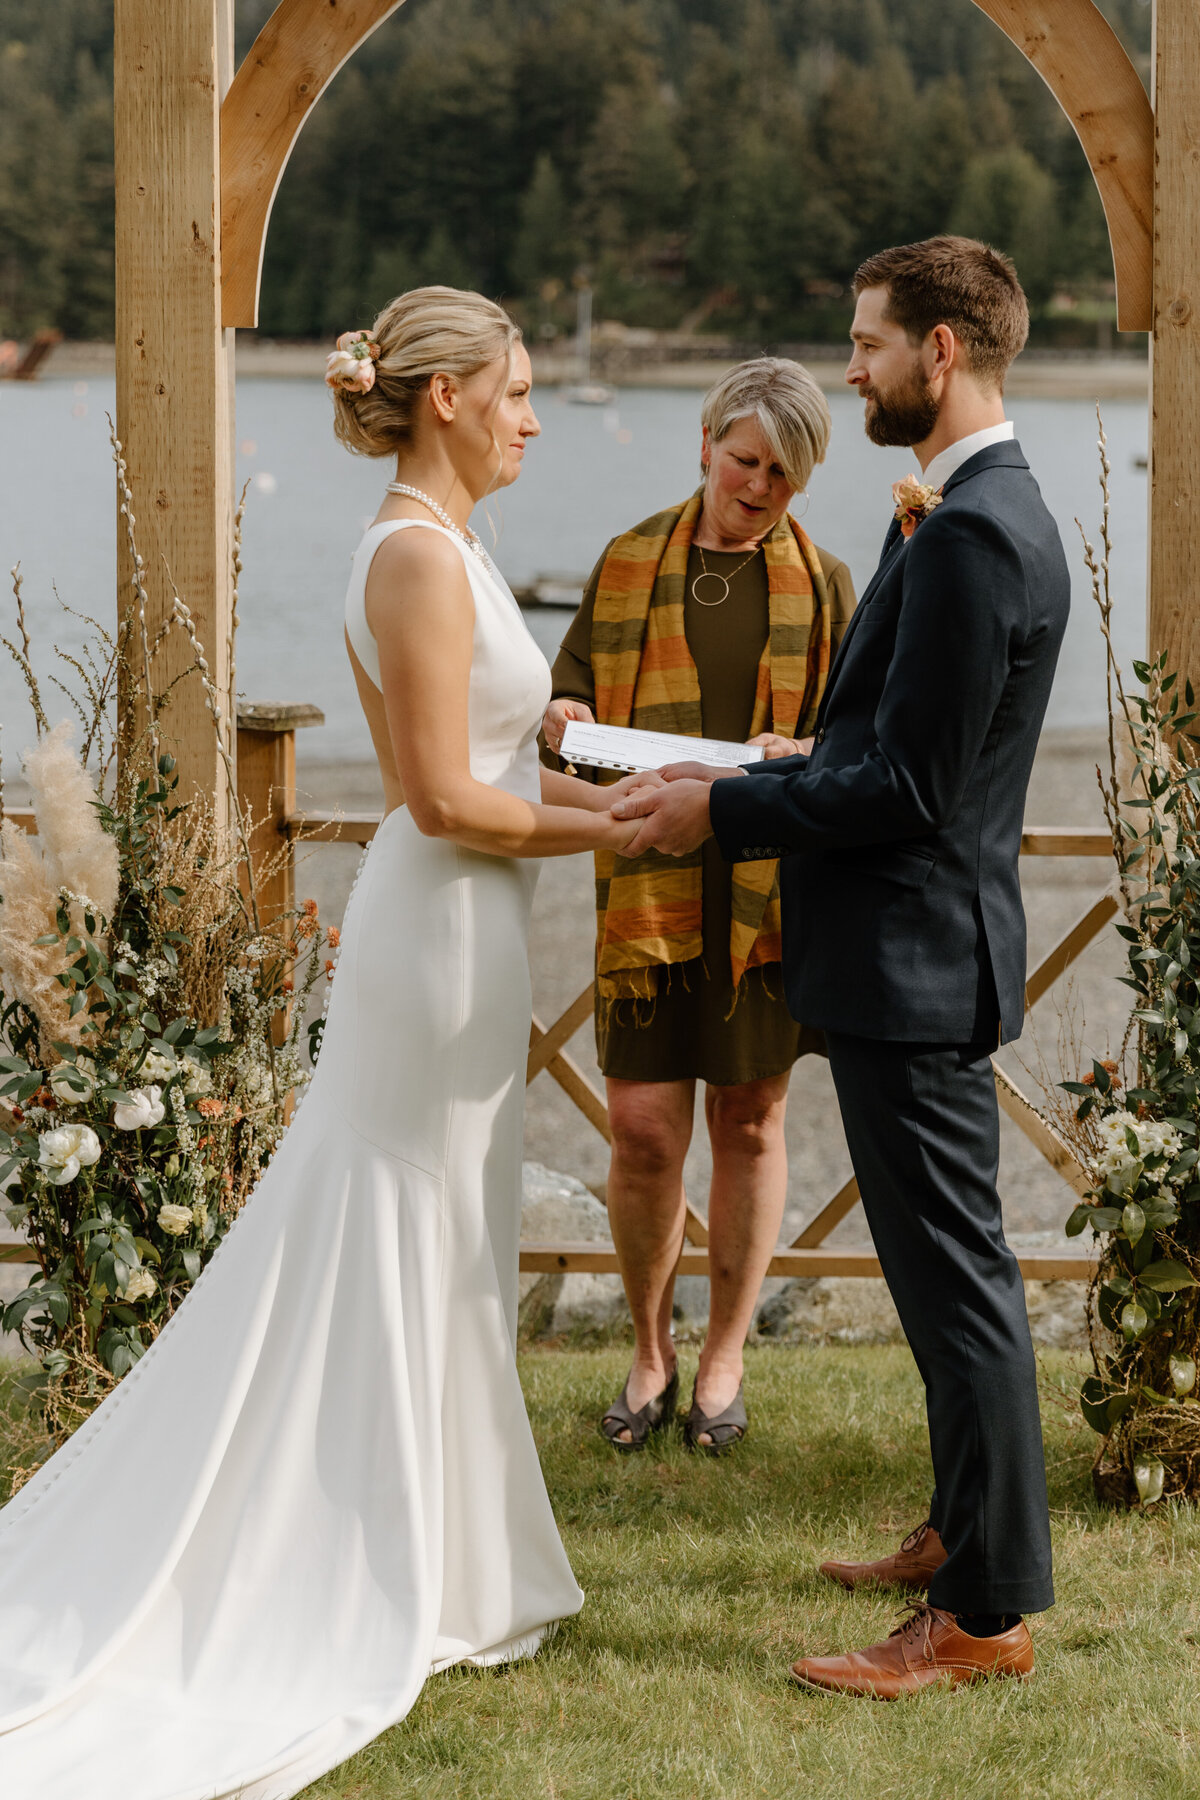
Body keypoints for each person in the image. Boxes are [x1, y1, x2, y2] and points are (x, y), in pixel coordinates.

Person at [0, 288, 645, 1797]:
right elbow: (438, 798)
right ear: (443, 399)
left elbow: (492, 750)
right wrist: (617, 818)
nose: (536, 416)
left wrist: (570, 752)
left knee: (458, 1233)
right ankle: (376, 1565)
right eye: (520, 390)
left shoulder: (456, 545)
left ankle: (457, 1563)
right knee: (399, 1223)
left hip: (477, 932)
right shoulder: (416, 553)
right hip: (437, 926)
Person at [611, 237, 1067, 1695]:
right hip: (909, 951)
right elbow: (906, 749)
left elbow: (919, 795)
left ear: (941, 350)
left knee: (960, 1288)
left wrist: (728, 800)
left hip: (912, 958)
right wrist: (820, 751)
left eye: (869, 342)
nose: (853, 365)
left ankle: (984, 1618)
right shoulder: (971, 507)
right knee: (948, 1282)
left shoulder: (978, 529)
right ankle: (957, 1531)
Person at [541, 360, 854, 1453]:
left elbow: (855, 746)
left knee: (752, 1122)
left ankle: (721, 1360)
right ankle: (647, 1349)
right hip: (647, 880)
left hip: (766, 889)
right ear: (707, 441)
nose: (759, 486)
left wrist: (802, 750)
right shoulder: (626, 560)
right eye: (745, 460)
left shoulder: (831, 588)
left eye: (783, 473)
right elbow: (564, 710)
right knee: (638, 1130)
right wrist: (564, 712)